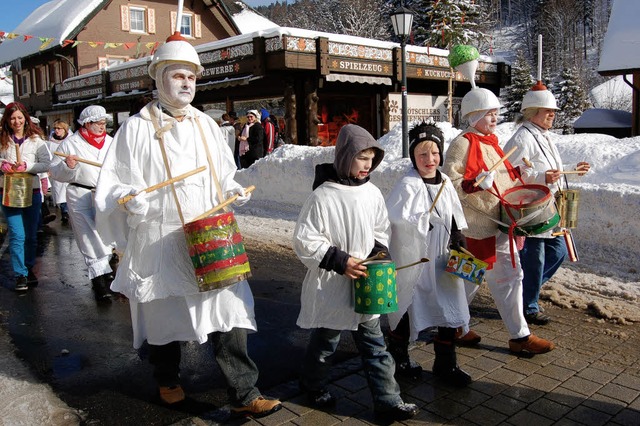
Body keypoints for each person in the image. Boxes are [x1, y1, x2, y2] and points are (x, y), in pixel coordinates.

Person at [94, 31, 282, 418]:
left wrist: (233, 189)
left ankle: (245, 393)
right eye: (178, 76)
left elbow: (224, 173)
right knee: (165, 314)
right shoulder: (135, 129)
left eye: (192, 77)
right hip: (160, 238)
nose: (186, 84)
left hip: (210, 235)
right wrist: (129, 198)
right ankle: (166, 378)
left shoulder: (207, 125)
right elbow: (113, 183)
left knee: (228, 312)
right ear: (159, 77)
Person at [293, 124, 419, 421]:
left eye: (372, 158)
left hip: (366, 284)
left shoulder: (372, 192)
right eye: (362, 157)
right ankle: (313, 385)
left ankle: (388, 400)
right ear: (345, 156)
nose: (368, 164)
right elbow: (305, 239)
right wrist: (340, 261)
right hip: (334, 285)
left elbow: (380, 228)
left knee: (376, 345)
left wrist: (378, 254)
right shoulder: (323, 196)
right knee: (326, 343)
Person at [442, 88, 555, 355]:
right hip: (474, 227)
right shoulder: (462, 143)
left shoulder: (492, 141)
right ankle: (453, 326)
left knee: (510, 277)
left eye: (496, 113)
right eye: (489, 114)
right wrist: (473, 184)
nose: (495, 119)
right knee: (466, 280)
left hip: (499, 224)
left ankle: (519, 335)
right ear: (474, 116)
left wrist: (520, 173)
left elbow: (501, 177)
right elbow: (449, 184)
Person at [386, 122, 472, 386]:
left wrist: (458, 236)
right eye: (422, 154)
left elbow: (454, 213)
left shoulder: (445, 181)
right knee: (407, 305)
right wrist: (421, 224)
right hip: (415, 258)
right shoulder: (407, 185)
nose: (429, 160)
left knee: (451, 304)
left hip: (442, 257)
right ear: (413, 156)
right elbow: (393, 220)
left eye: (434, 153)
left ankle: (445, 363)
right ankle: (398, 359)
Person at [504, 83, 591, 325]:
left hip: (550, 209)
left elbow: (549, 167)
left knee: (558, 252)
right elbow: (509, 173)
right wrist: (541, 178)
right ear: (532, 112)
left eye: (553, 111)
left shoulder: (543, 135)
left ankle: (522, 293)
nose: (552, 115)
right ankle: (529, 306)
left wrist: (573, 169)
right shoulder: (521, 137)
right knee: (536, 259)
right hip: (532, 210)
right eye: (547, 111)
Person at [49, 105, 116, 303]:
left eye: (104, 123)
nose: (103, 127)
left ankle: (107, 273)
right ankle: (99, 283)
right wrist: (69, 167)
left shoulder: (111, 143)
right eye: (99, 123)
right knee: (88, 237)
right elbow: (55, 172)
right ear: (87, 123)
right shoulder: (70, 144)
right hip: (80, 194)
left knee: (106, 236)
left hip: (105, 194)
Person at [0, 102, 51, 291]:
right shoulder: (2, 139)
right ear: (7, 120)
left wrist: (27, 167)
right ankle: (20, 274)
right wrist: (2, 165)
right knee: (17, 234)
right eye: (12, 118)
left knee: (30, 236)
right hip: (9, 190)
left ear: (25, 119)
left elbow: (46, 164)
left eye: (20, 117)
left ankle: (28, 267)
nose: (16, 121)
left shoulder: (36, 140)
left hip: (32, 191)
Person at [47, 119, 71, 224]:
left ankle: (68, 211)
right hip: (56, 170)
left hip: (69, 169)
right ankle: (64, 212)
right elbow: (48, 157)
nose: (57, 131)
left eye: (59, 128)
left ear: (65, 130)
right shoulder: (50, 142)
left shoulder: (71, 141)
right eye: (55, 128)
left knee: (68, 192)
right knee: (59, 193)